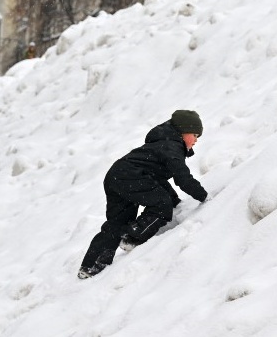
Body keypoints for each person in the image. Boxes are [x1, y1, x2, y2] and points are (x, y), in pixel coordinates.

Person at [78, 109, 208, 279]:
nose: (196, 141)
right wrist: (204, 197)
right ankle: (132, 237)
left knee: (117, 221)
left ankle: (91, 266)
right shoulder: (172, 146)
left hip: (117, 175)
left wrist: (175, 201)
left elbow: (157, 179)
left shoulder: (162, 143)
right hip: (130, 176)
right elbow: (182, 177)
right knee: (162, 205)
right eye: (195, 135)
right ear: (184, 131)